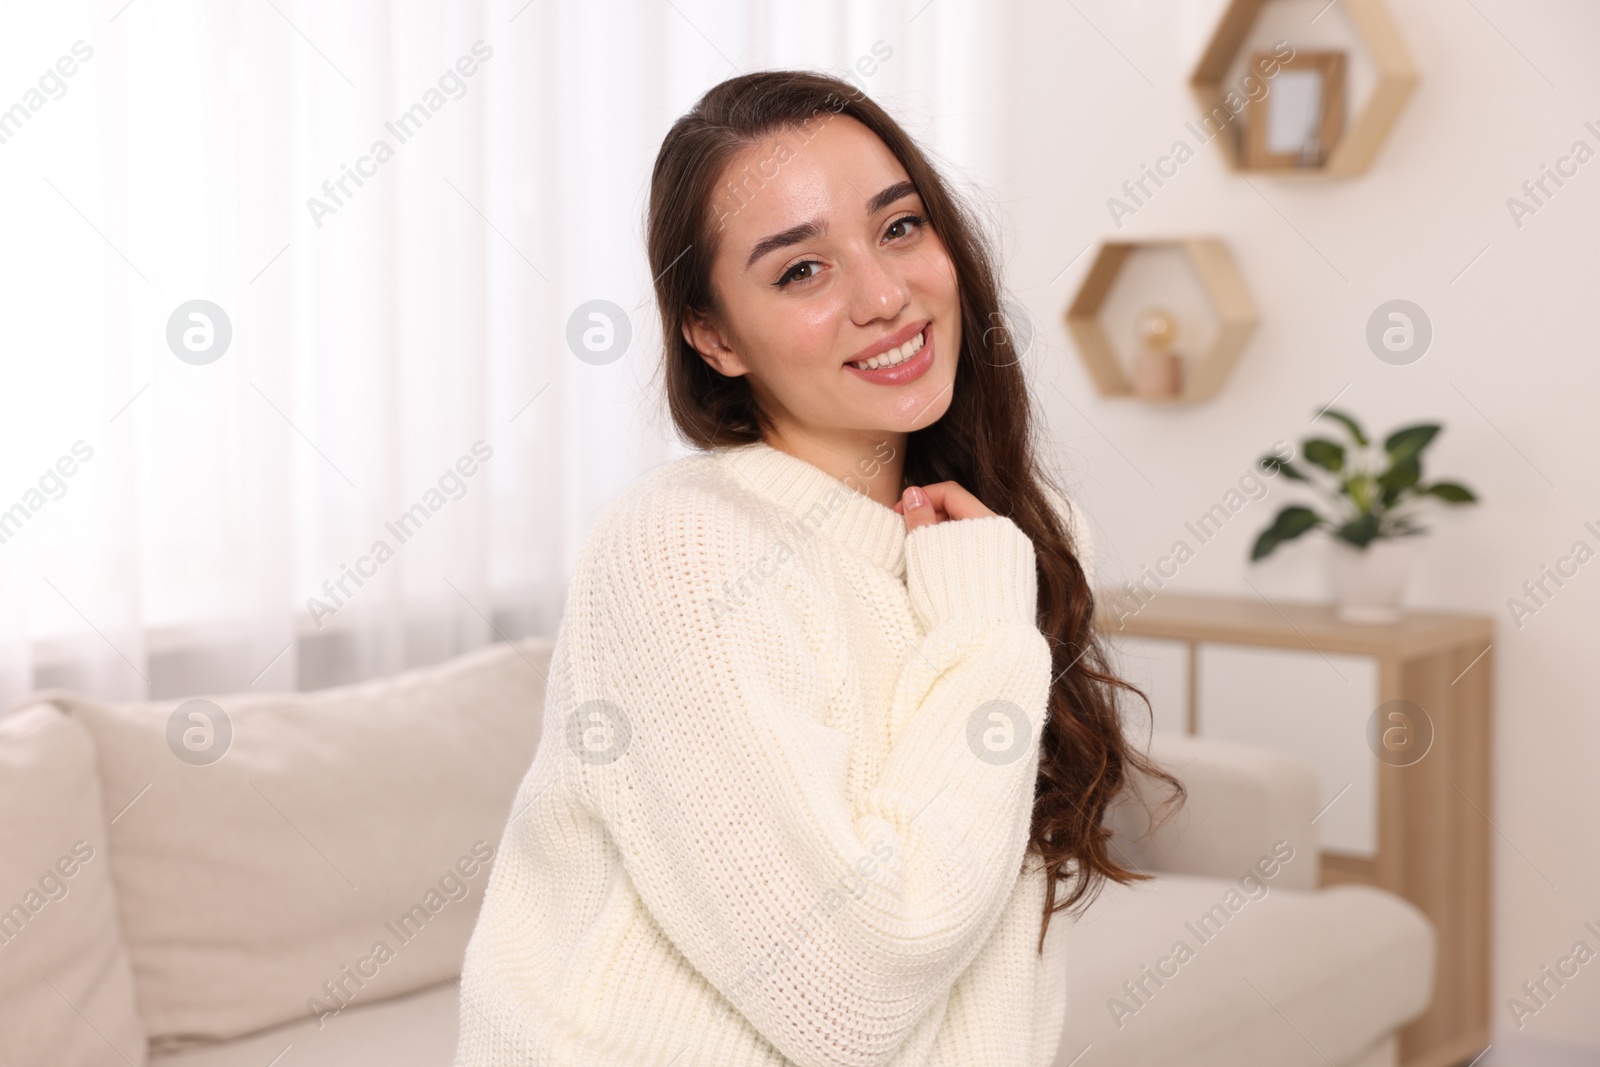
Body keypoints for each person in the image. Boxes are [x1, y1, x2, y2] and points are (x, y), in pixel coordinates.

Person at [454, 69, 1181, 1067]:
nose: (884, 296)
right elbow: (850, 994)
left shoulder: (1010, 537)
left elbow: (996, 954)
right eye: (800, 270)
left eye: (898, 228)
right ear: (713, 336)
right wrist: (981, 629)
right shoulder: (682, 545)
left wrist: (988, 593)